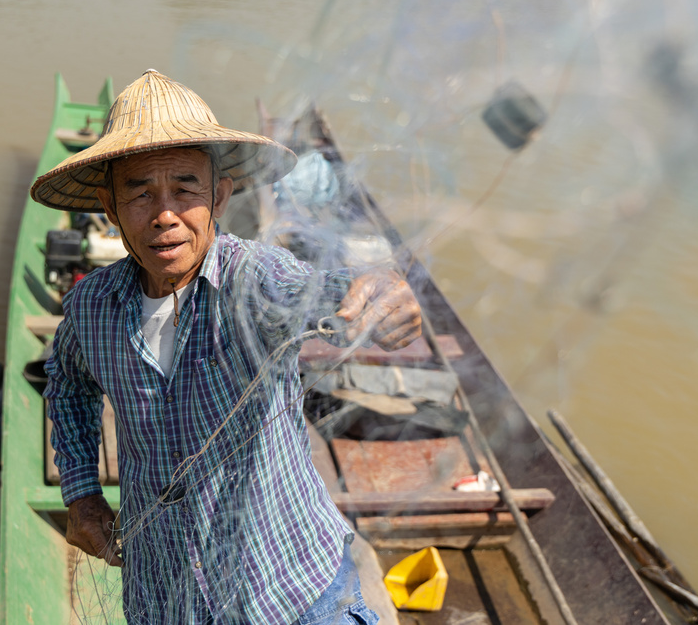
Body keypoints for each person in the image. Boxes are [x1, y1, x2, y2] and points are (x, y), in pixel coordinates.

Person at [31, 69, 422, 624]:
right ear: (110, 209)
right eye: (140, 192)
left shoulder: (253, 279)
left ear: (219, 195)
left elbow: (315, 289)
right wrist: (81, 492)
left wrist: (382, 289)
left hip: (291, 594)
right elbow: (68, 382)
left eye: (186, 188)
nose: (165, 213)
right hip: (164, 597)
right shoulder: (92, 307)